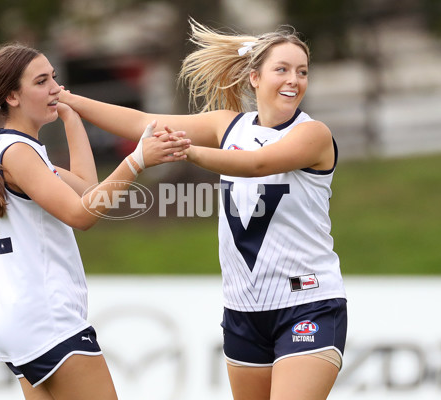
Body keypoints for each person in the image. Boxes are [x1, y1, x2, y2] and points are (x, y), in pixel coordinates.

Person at [58, 19, 347, 400]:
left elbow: (258, 163)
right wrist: (70, 100)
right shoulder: (228, 126)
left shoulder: (313, 134)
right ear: (254, 78)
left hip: (308, 304)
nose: (294, 80)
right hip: (243, 310)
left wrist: (185, 150)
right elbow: (144, 123)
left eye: (302, 71)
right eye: (282, 69)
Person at [0, 42, 189, 400]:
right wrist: (138, 160)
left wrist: (71, 117)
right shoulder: (19, 153)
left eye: (54, 77)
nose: (55, 87)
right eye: (41, 82)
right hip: (47, 319)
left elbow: (86, 190)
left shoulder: (11, 147)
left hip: (21, 320)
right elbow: (81, 215)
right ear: (12, 96)